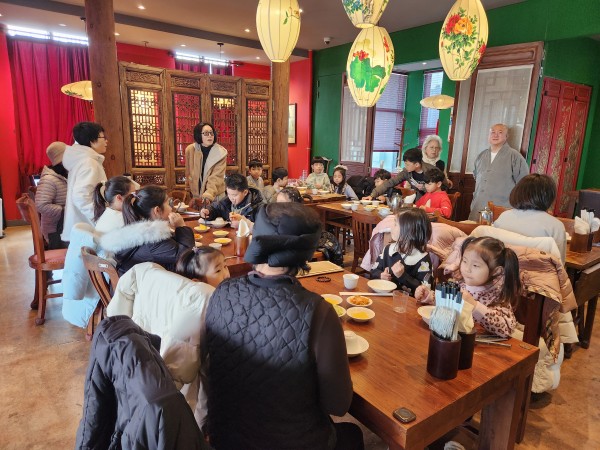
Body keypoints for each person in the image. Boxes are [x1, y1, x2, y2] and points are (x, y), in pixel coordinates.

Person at [203, 203, 363, 450]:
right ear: (307, 253)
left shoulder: (221, 292)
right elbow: (338, 405)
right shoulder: (318, 311)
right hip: (291, 442)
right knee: (352, 434)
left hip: (224, 437)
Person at [99, 185, 194, 276]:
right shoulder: (153, 239)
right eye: (169, 204)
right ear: (157, 210)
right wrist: (181, 226)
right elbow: (187, 257)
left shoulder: (140, 231)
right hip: (141, 286)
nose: (171, 208)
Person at [454, 236, 520, 338]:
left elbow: (507, 328)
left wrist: (475, 305)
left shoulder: (497, 295)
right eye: (465, 261)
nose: (467, 269)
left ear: (496, 271)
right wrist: (432, 297)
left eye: (475, 265)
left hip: (479, 344)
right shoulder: (460, 284)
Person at [493, 174, 567, 262]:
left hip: (505, 269)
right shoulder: (556, 226)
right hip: (538, 270)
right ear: (549, 197)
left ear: (517, 192)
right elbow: (560, 263)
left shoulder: (503, 217)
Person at [469, 123, 529, 221]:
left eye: (500, 132)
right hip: (478, 206)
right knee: (474, 229)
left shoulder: (515, 156)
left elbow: (523, 183)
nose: (495, 135)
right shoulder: (481, 156)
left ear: (506, 136)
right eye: (493, 132)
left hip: (503, 208)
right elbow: (476, 177)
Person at [370, 208, 433, 300]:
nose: (391, 227)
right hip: (385, 299)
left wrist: (403, 276)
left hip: (408, 304)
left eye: (395, 224)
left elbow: (425, 292)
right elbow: (373, 271)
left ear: (410, 231)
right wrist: (381, 275)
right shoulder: (389, 249)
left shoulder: (422, 259)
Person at [61, 122, 108, 241]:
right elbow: (80, 196)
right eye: (103, 137)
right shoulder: (89, 162)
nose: (106, 141)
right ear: (92, 141)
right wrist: (101, 217)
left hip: (81, 225)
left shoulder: (83, 160)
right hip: (87, 227)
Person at [365, 148, 449, 202]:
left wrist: (424, 188)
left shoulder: (432, 170)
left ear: (417, 164)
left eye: (407, 164)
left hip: (435, 201)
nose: (405, 166)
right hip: (419, 201)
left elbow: (444, 186)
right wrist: (372, 195)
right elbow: (390, 182)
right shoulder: (406, 172)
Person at [35, 141, 68, 249]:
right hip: (55, 231)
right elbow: (41, 205)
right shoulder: (49, 179)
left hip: (63, 225)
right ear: (62, 160)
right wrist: (65, 210)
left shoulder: (63, 175)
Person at [185, 122, 227, 203]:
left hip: (215, 196)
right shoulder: (190, 150)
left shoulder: (221, 153)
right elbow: (188, 172)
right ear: (199, 135)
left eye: (211, 133)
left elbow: (216, 178)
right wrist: (188, 190)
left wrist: (208, 195)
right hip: (196, 196)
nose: (210, 136)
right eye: (206, 133)